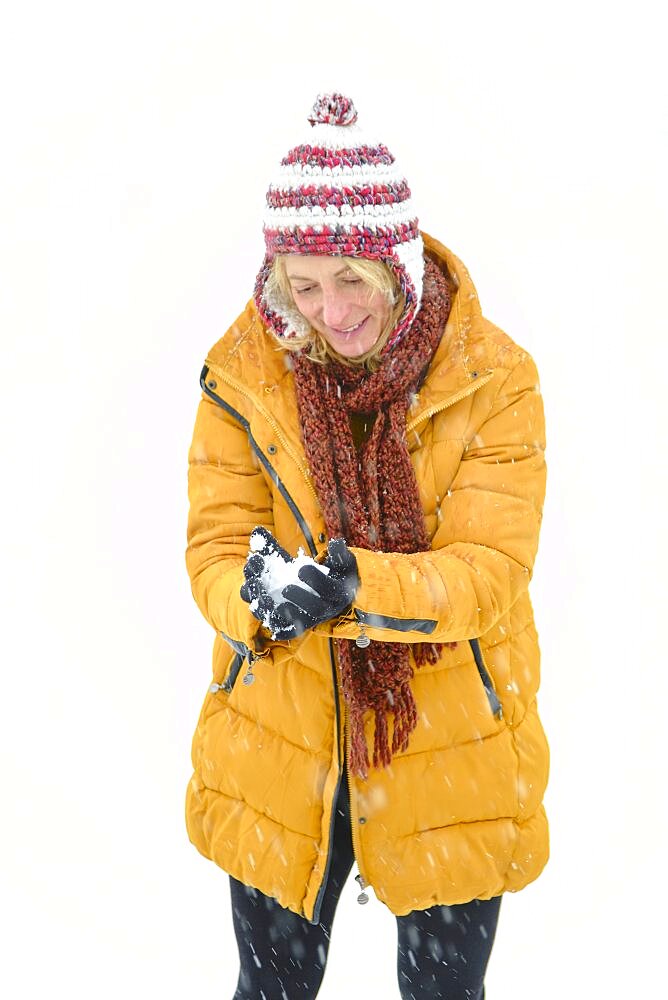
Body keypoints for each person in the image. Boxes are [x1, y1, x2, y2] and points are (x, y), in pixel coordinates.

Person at [184, 93, 549, 1000]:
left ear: (395, 263)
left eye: (351, 279)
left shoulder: (490, 381)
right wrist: (258, 599)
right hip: (284, 737)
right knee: (269, 991)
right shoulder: (246, 372)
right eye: (302, 287)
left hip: (446, 736)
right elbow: (216, 543)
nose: (329, 311)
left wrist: (358, 589)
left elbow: (488, 572)